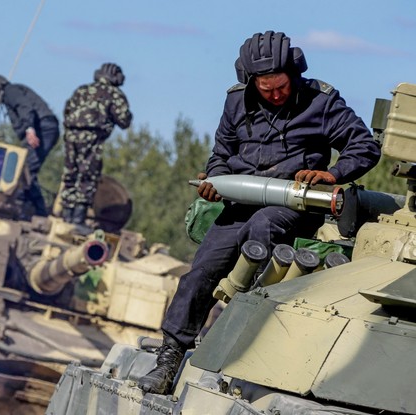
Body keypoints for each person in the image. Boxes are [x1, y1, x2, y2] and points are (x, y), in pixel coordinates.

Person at [138, 30, 381, 395]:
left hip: (293, 206)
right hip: (238, 204)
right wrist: (215, 181)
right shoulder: (236, 102)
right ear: (251, 81)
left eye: (281, 87)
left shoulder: (321, 102)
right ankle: (169, 358)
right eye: (266, 90)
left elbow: (364, 147)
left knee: (262, 226)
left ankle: (247, 326)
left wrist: (332, 174)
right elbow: (221, 154)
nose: (276, 95)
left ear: (293, 73)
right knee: (200, 271)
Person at [60, 63, 133, 225]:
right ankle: (77, 219)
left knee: (70, 172)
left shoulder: (82, 90)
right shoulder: (114, 94)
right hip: (92, 136)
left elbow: (67, 110)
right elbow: (124, 120)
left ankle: (66, 215)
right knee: (88, 175)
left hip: (71, 134)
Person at [0, 74, 60, 218]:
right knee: (26, 169)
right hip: (43, 127)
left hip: (41, 128)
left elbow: (25, 107)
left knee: (24, 169)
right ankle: (33, 207)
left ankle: (33, 209)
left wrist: (30, 128)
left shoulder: (10, 91)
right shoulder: (11, 94)